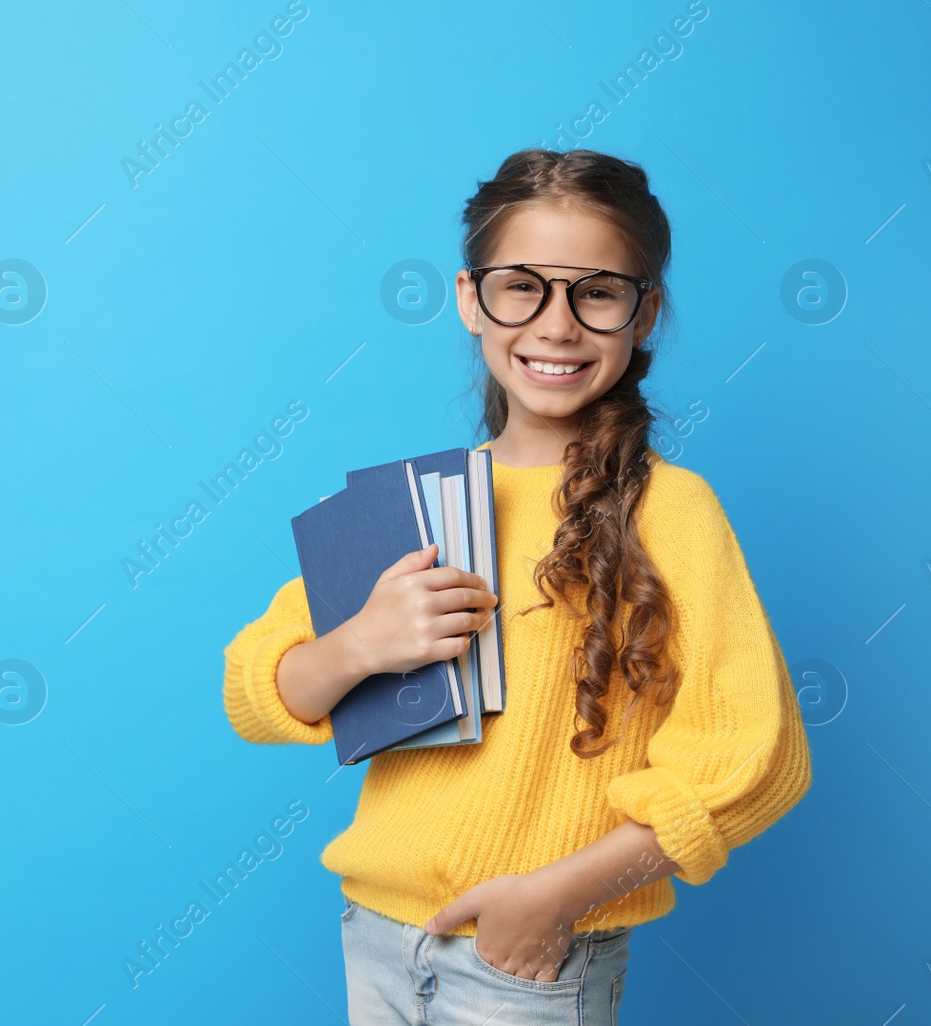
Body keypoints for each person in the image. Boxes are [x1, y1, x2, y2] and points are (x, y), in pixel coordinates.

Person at [221, 148, 813, 1025]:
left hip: (533, 956)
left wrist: (554, 900)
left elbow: (757, 759)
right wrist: (358, 645)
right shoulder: (414, 503)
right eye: (522, 286)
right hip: (379, 933)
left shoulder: (673, 510)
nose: (557, 324)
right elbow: (254, 690)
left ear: (644, 313)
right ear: (470, 298)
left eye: (598, 292)